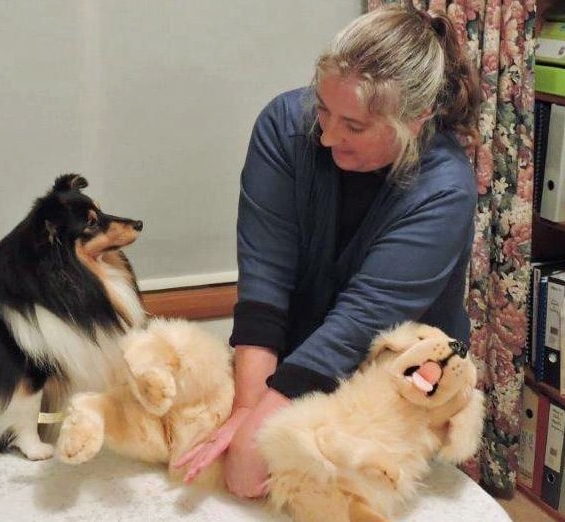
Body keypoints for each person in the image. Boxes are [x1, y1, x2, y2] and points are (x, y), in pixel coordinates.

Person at [173, 4, 481, 498]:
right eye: (322, 108)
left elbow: (357, 324)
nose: (327, 134)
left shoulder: (445, 189)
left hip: (396, 383)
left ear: (417, 120)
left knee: (264, 473)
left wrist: (258, 431)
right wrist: (247, 412)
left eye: (354, 127)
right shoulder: (283, 125)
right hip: (301, 355)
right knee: (243, 470)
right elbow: (265, 276)